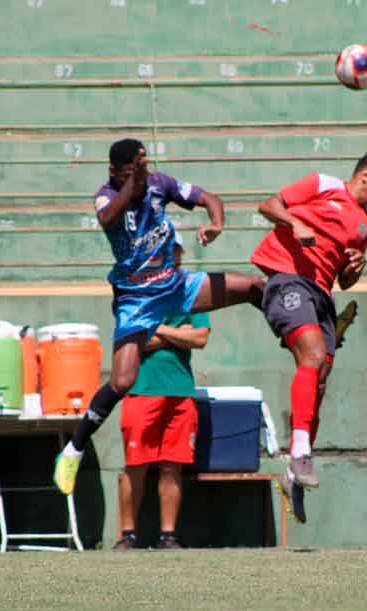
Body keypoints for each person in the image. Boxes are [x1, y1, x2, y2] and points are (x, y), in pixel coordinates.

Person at [53, 138, 263, 495]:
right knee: (121, 382)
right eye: (132, 169)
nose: (142, 173)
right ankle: (73, 449)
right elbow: (107, 217)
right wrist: (131, 184)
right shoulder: (106, 196)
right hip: (136, 299)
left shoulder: (159, 183)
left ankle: (304, 334)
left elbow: (211, 198)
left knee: (256, 286)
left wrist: (216, 223)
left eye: (144, 166)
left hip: (176, 285)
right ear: (114, 172)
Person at [250, 151, 367, 523]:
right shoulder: (323, 185)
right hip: (287, 278)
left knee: (319, 383)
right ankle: (300, 454)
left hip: (323, 294)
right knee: (312, 356)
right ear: (366, 175)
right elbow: (269, 205)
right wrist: (294, 224)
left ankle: (292, 474)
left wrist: (355, 270)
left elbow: (345, 279)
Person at [114, 239, 209, 550]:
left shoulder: (192, 292)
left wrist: (160, 331)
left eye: (177, 253)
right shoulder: (136, 290)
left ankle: (168, 536)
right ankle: (127, 535)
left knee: (172, 466)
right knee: (135, 465)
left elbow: (200, 338)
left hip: (180, 391)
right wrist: (175, 335)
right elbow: (135, 340)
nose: (174, 259)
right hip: (141, 390)